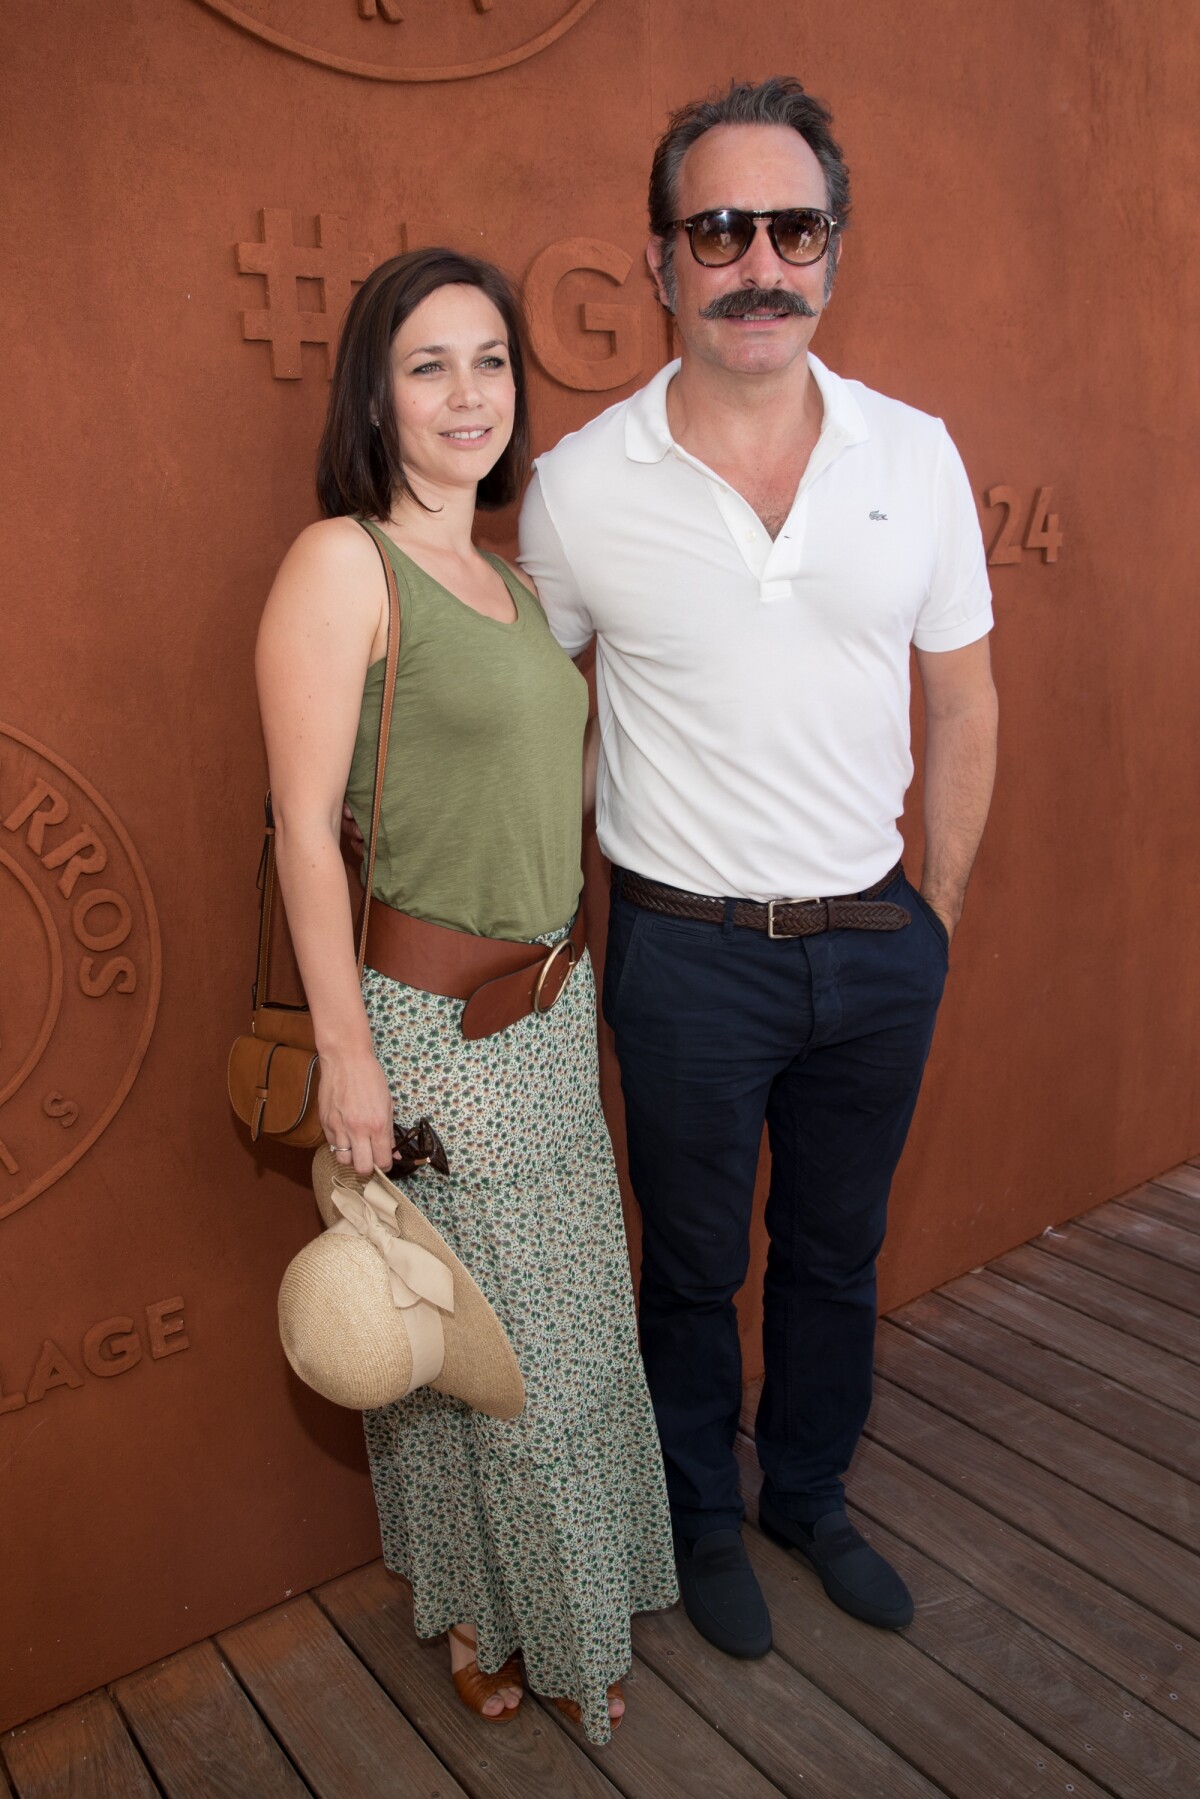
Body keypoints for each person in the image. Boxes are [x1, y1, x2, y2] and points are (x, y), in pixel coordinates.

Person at [519, 77, 998, 1658]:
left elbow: (963, 697)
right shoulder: (585, 488)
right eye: (718, 229)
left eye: (791, 227)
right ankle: (701, 1520)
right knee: (694, 1266)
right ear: (661, 262)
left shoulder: (914, 457)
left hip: (877, 943)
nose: (757, 262)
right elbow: (542, 721)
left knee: (837, 1254)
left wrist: (935, 914)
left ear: (835, 254)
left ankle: (806, 1492)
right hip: (687, 955)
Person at [255, 246, 675, 1740]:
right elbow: (304, 828)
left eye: (491, 359)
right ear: (375, 389)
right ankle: (524, 1631)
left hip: (551, 1024)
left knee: (533, 1345)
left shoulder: (500, 580)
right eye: (429, 363)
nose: (468, 392)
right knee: (493, 1365)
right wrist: (352, 1059)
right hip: (432, 1038)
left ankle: (512, 1611)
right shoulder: (341, 563)